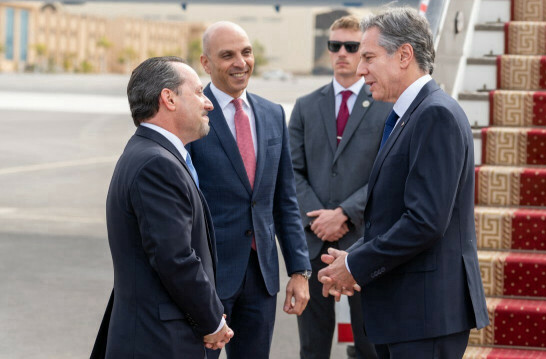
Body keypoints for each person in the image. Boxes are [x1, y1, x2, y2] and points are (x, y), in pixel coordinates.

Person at [318, 8, 490, 358]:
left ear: (404, 55)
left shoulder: (435, 114)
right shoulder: (408, 114)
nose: (359, 68)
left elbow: (425, 222)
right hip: (406, 313)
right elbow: (394, 213)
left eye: (368, 57)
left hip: (425, 316)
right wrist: (353, 256)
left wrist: (354, 266)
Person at [90, 56, 234, 359]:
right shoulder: (157, 163)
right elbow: (175, 258)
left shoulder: (151, 154)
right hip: (159, 342)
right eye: (198, 92)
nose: (208, 103)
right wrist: (211, 319)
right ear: (168, 98)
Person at [187, 22, 312, 359]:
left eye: (246, 52)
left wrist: (299, 271)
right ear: (206, 63)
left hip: (262, 277)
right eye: (227, 55)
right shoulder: (192, 116)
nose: (240, 62)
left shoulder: (272, 114)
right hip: (209, 277)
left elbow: (285, 201)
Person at [289, 15, 390, 359]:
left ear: (364, 51)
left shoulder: (384, 103)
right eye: (335, 46)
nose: (342, 53)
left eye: (352, 46)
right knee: (312, 346)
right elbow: (292, 170)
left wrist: (345, 213)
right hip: (313, 241)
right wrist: (321, 219)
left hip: (365, 241)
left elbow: (387, 172)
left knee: (370, 345)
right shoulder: (305, 106)